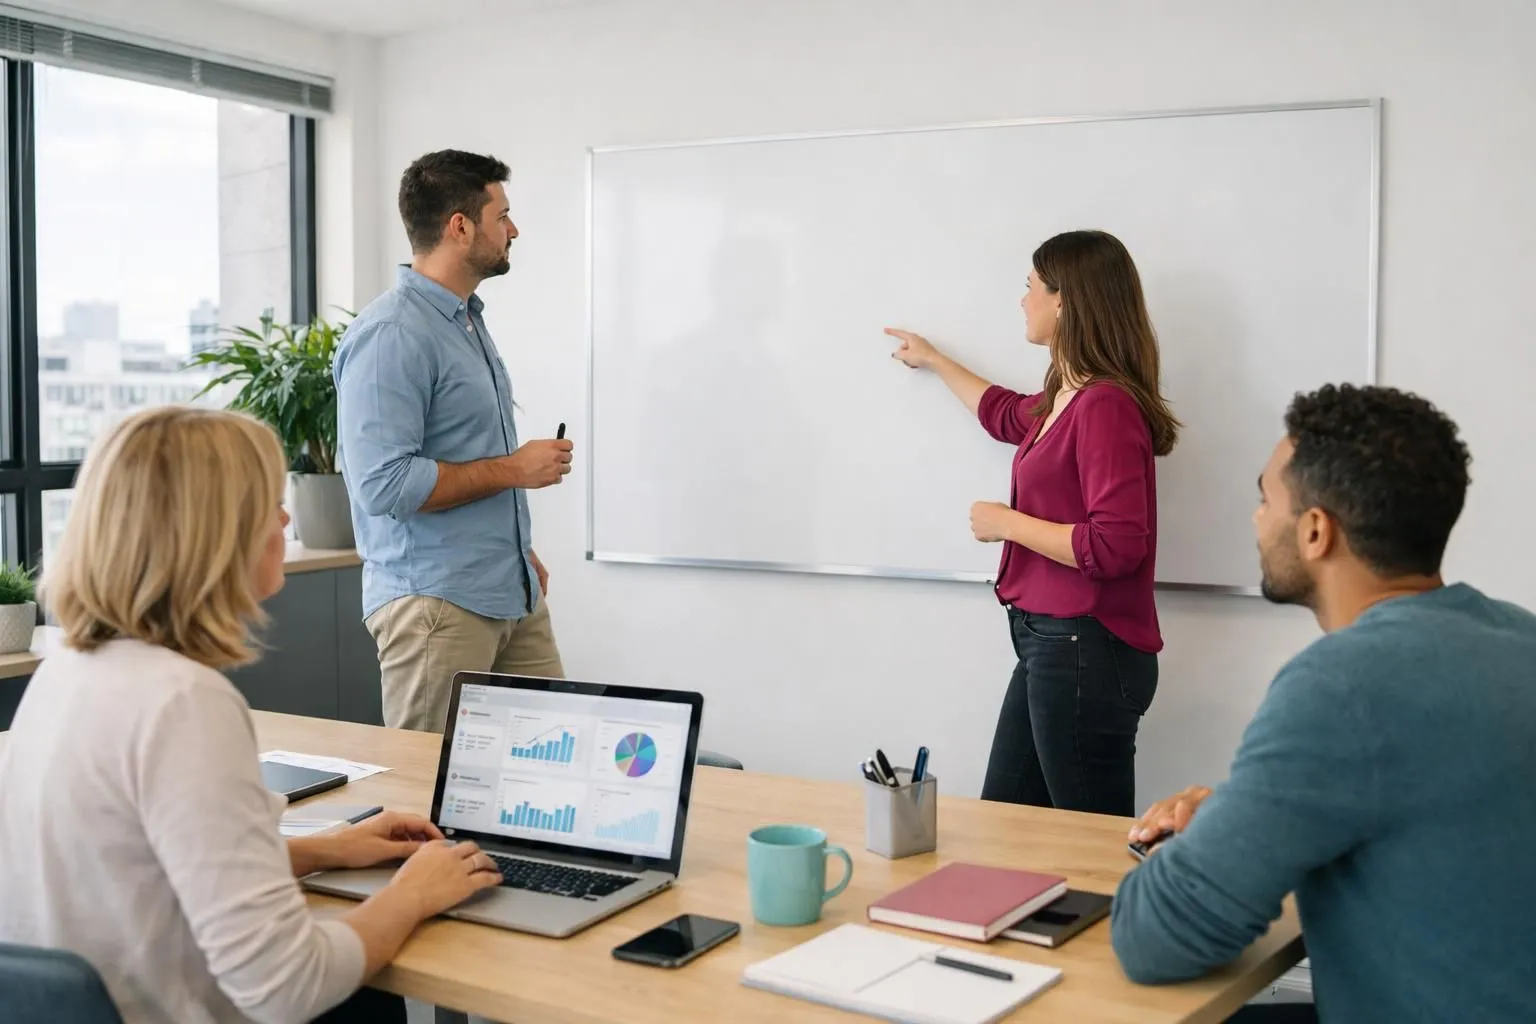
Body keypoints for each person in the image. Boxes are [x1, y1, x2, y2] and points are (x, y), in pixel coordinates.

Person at [0, 406, 503, 1024]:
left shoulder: (71, 671)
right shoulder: (182, 703)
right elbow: (288, 987)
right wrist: (414, 893)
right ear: (215, 533)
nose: (286, 519)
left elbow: (142, 868)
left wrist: (326, 849)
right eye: (270, 503)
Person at [1111, 384, 1536, 1022]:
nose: (1256, 517)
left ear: (1315, 531)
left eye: (1266, 499)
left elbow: (1155, 937)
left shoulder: (1344, 686)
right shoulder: (1518, 636)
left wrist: (1195, 846)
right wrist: (1240, 813)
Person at [885, 229, 1178, 816]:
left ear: (1064, 300)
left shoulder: (1105, 406)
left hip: (1084, 647)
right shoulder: (1063, 397)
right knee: (1009, 827)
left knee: (1087, 840)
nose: (1022, 300)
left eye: (1030, 287)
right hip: (1048, 641)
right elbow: (1002, 414)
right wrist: (938, 361)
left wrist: (1008, 523)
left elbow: (1115, 545)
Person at [336, 149, 573, 734]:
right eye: (502, 216)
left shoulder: (464, 321)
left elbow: (462, 452)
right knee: (425, 802)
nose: (513, 230)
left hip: (508, 590)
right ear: (460, 226)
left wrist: (515, 547)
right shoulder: (393, 333)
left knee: (552, 772)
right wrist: (515, 471)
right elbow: (383, 484)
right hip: (435, 609)